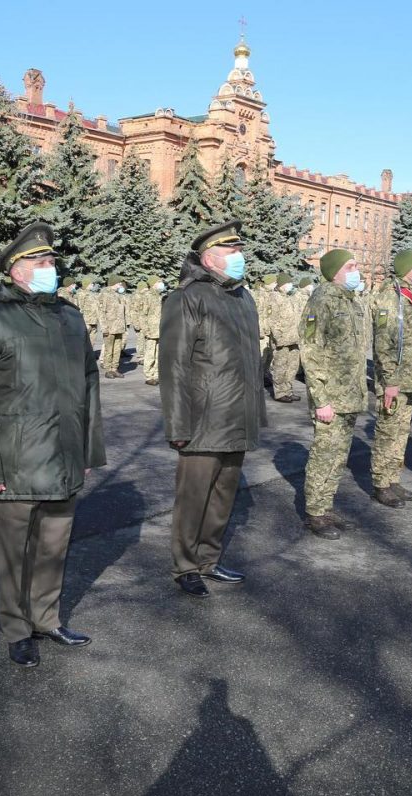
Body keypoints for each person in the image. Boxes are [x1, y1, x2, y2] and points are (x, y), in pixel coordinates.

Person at [0, 222, 106, 668]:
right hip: (16, 460)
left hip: (64, 454)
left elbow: (90, 384)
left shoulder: (70, 317)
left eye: (51, 261)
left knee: (54, 546)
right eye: (40, 262)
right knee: (14, 554)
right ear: (16, 270)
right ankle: (17, 629)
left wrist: (87, 449)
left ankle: (46, 619)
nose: (49, 268)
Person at [159, 220, 265, 597]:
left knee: (223, 496)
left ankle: (209, 559)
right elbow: (174, 365)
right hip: (203, 418)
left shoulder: (243, 297)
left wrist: (255, 413)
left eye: (239, 250)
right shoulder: (187, 297)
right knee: (194, 497)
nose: (239, 257)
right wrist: (177, 424)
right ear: (209, 259)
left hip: (237, 415)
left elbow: (251, 360)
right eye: (231, 251)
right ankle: (185, 566)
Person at [299, 249, 367, 538]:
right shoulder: (321, 300)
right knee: (324, 454)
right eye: (350, 266)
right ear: (334, 271)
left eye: (356, 265)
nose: (356, 270)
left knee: (339, 456)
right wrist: (321, 400)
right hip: (330, 397)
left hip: (350, 394)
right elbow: (310, 351)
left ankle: (326, 506)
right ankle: (315, 512)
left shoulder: (352, 301)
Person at [370, 249, 412, 505]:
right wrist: (390, 381)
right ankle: (381, 483)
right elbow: (384, 344)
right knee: (387, 432)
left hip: (410, 379)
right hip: (395, 380)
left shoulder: (411, 296)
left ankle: (393, 479)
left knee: (401, 433)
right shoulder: (390, 297)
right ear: (406, 269)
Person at [269, 273, 303, 403]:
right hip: (282, 341)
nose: (290, 285)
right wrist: (278, 338)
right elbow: (272, 320)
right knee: (280, 366)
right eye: (288, 283)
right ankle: (280, 393)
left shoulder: (291, 298)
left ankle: (288, 390)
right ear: (282, 285)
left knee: (292, 367)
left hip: (294, 338)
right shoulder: (274, 298)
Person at [98, 275, 128, 377]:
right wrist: (104, 327)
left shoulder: (118, 295)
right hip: (109, 327)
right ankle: (108, 370)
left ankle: (115, 368)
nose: (120, 285)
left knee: (117, 350)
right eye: (119, 283)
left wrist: (124, 325)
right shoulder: (104, 294)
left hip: (119, 327)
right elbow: (101, 312)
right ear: (113, 283)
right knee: (109, 349)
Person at [139, 275, 166, 386]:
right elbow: (142, 315)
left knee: (158, 354)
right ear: (153, 283)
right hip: (151, 330)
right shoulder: (147, 296)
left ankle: (156, 374)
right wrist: (146, 330)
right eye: (159, 282)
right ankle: (149, 376)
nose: (161, 284)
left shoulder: (160, 296)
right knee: (150, 354)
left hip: (160, 330)